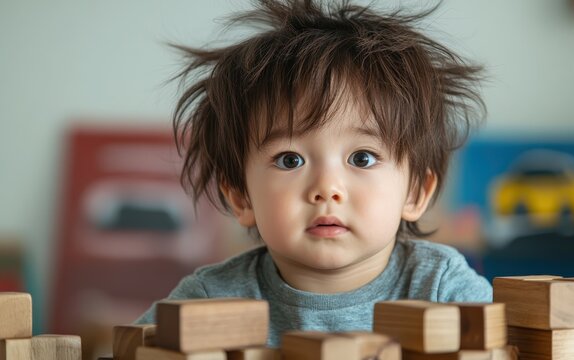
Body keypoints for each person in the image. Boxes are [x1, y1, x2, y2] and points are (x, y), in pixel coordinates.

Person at [135, 0, 491, 346]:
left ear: (415, 193)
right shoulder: (212, 299)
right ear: (240, 196)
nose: (327, 188)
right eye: (291, 160)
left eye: (362, 158)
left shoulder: (443, 289)